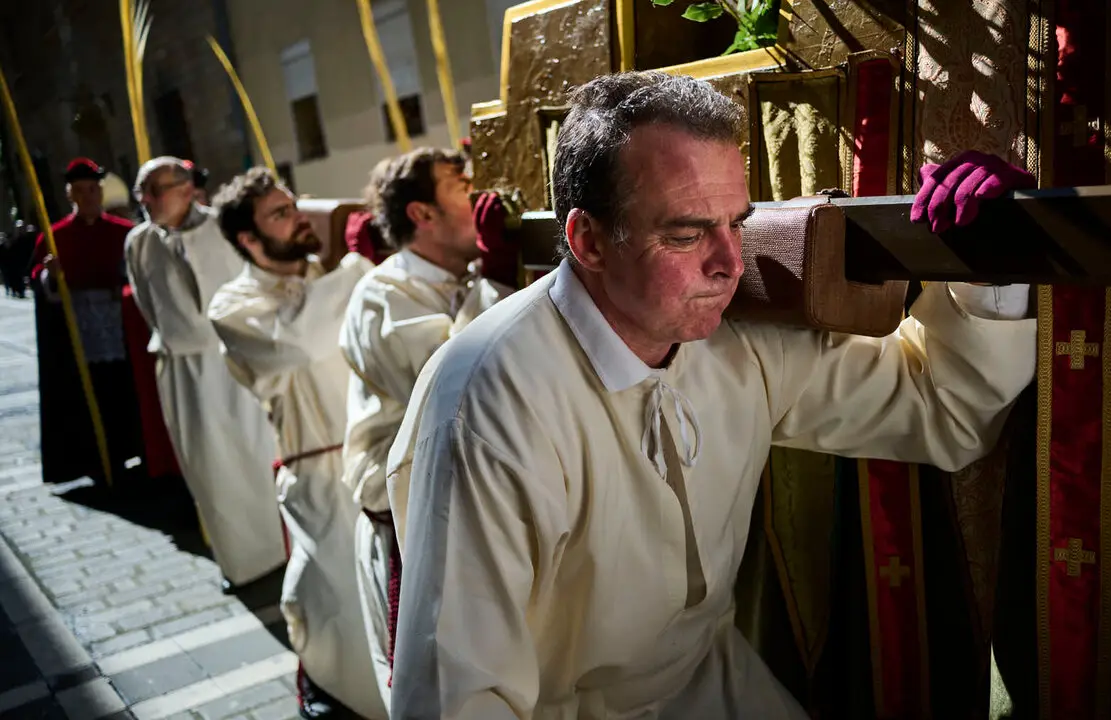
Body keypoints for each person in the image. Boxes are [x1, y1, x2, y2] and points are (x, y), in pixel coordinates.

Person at [386, 72, 1038, 718]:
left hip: (715, 683)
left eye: (737, 223)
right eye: (686, 233)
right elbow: (458, 698)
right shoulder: (486, 403)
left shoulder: (732, 335)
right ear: (587, 240)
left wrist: (991, 262)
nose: (729, 262)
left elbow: (940, 410)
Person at [338, 147, 517, 708]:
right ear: (422, 214)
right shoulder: (382, 293)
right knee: (435, 687)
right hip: (407, 515)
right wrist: (495, 278)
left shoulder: (459, 276)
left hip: (472, 503)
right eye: (461, 185)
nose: (479, 193)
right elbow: (453, 385)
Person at [208, 167, 384, 720]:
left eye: (295, 205)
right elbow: (301, 343)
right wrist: (356, 265)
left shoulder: (325, 275)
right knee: (339, 606)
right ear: (249, 240)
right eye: (280, 214)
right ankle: (340, 695)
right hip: (317, 471)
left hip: (376, 457)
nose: (299, 219)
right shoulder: (231, 306)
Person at [124, 156, 286, 591]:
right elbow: (148, 306)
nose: (147, 201)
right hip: (183, 369)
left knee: (259, 452)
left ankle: (286, 545)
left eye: (155, 190)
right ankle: (243, 562)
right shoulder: (138, 243)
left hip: (238, 358)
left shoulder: (225, 227)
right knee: (210, 469)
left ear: (185, 187)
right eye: (143, 192)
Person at [30, 157, 145, 486]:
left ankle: (138, 450)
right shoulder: (54, 238)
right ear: (71, 196)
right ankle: (99, 459)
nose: (88, 197)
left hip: (122, 330)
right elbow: (41, 281)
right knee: (90, 395)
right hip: (80, 336)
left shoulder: (125, 233)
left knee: (127, 392)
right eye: (80, 191)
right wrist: (50, 277)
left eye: (93, 190)